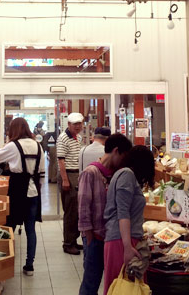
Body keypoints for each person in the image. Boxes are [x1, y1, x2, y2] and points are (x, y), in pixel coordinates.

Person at [78, 133, 132, 295]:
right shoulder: (91, 172)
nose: (124, 161)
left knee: (114, 282)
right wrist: (89, 237)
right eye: (123, 156)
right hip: (95, 237)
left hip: (112, 238)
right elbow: (83, 209)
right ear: (116, 151)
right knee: (91, 282)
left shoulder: (118, 174)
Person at [0, 117, 44, 276]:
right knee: (30, 229)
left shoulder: (13, 146)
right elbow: (42, 172)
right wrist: (37, 187)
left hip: (16, 188)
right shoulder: (38, 145)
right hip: (33, 189)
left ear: (13, 130)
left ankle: (6, 262)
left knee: (11, 225)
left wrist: (8, 144)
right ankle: (29, 266)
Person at [102, 145, 155, 295]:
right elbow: (123, 213)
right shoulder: (126, 175)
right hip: (122, 240)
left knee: (129, 288)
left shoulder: (125, 175)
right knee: (124, 287)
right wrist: (127, 247)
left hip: (125, 239)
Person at [57, 112, 84, 255]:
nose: (78, 126)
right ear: (69, 124)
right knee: (70, 211)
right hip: (68, 174)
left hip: (77, 173)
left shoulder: (78, 138)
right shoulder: (63, 138)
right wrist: (65, 180)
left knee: (76, 211)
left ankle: (73, 240)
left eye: (80, 123)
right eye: (75, 124)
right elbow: (61, 160)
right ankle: (68, 243)